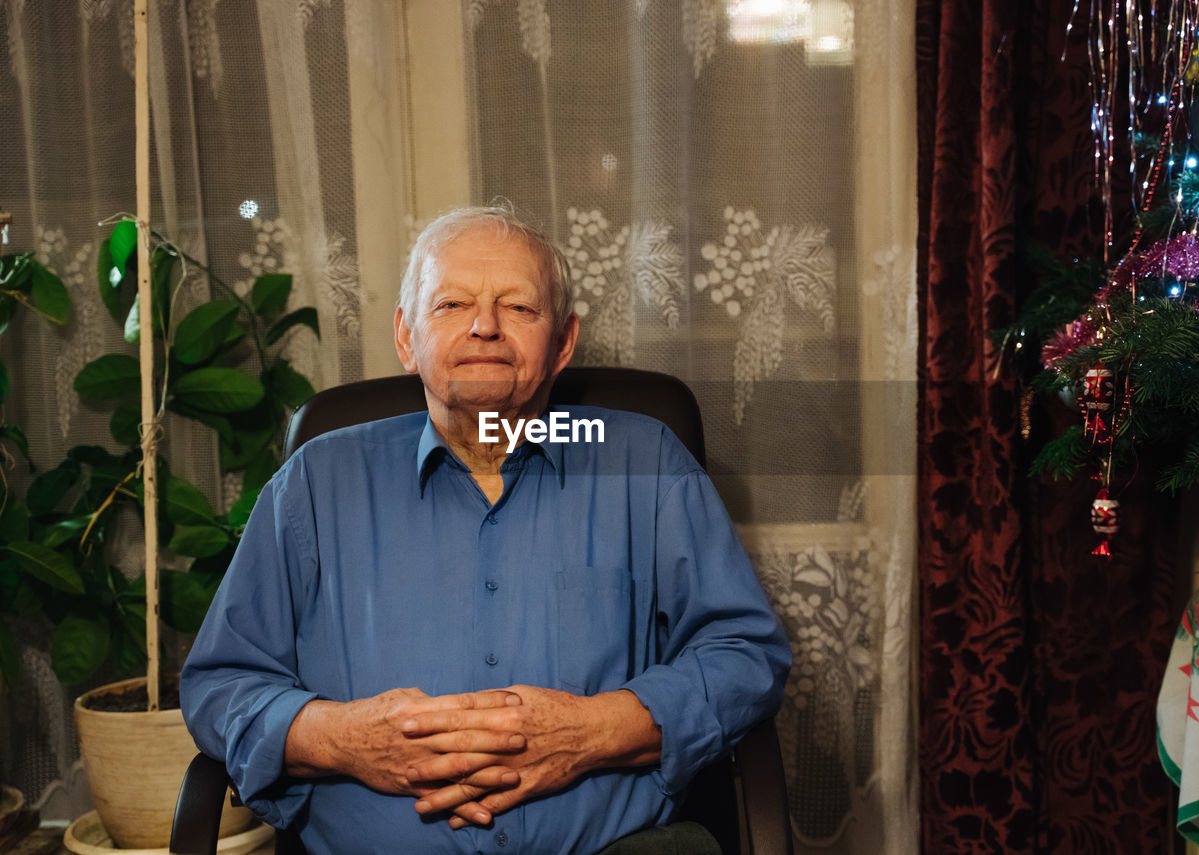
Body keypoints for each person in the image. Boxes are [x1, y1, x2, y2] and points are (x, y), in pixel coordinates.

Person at [180, 206, 791, 855]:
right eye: (451, 304)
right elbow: (221, 683)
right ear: (406, 336)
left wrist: (595, 732)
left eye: (519, 308)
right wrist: (342, 737)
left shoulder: (644, 462)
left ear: (562, 341)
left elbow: (746, 654)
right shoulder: (316, 481)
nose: (485, 326)